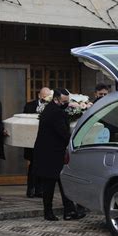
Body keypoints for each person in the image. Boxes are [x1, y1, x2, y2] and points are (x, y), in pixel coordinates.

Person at [33, 88, 86, 221]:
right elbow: (63, 133)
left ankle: (68, 211)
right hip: (52, 154)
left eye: (67, 101)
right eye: (64, 101)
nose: (66, 104)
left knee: (58, 182)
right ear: (56, 99)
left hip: (47, 152)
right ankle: (54, 212)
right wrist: (75, 140)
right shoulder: (57, 113)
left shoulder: (49, 109)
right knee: (51, 184)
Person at [23, 87, 51, 198]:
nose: (46, 98)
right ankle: (31, 189)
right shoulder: (29, 106)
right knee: (33, 166)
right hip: (32, 141)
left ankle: (40, 190)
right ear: (39, 95)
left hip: (45, 142)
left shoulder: (51, 106)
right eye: (44, 96)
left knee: (43, 166)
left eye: (48, 96)